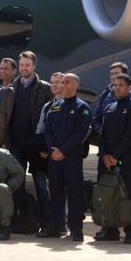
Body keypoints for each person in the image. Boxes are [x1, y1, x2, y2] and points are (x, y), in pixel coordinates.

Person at [0, 51, 53, 223]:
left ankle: (47, 222)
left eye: (27, 65)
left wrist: (45, 145)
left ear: (34, 66)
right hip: (15, 144)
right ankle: (19, 220)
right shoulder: (11, 88)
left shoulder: (44, 88)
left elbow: (50, 119)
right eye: (21, 65)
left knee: (41, 185)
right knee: (16, 184)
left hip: (36, 146)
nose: (24, 68)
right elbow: (4, 116)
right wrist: (4, 141)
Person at [95, 73, 131, 244]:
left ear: (130, 88)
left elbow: (130, 135)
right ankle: (110, 228)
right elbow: (102, 134)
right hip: (107, 159)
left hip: (125, 159)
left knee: (128, 193)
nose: (117, 87)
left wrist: (115, 156)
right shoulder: (110, 107)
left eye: (121, 85)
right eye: (115, 85)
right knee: (107, 192)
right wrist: (106, 154)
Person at [42, 73, 91, 241]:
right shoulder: (54, 107)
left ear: (76, 85)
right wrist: (52, 150)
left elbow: (80, 133)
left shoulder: (82, 107)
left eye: (66, 82)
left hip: (71, 158)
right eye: (62, 82)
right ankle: (55, 226)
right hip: (54, 158)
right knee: (55, 193)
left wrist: (63, 150)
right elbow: (47, 131)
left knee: (75, 194)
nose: (63, 85)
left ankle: (76, 229)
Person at [32, 72, 64, 235]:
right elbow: (40, 130)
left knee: (60, 191)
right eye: (52, 82)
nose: (55, 85)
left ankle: (61, 223)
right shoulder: (48, 107)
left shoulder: (73, 105)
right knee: (45, 190)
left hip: (65, 156)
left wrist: (62, 151)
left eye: (58, 82)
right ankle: (49, 223)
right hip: (47, 155)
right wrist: (43, 150)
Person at [92, 62, 131, 135]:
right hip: (106, 142)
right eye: (111, 74)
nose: (113, 76)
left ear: (125, 75)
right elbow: (96, 118)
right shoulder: (105, 93)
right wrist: (100, 132)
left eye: (116, 73)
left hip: (126, 143)